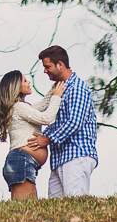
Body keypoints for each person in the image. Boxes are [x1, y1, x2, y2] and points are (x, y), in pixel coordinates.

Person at [27, 45, 98, 197]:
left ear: (60, 65)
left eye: (47, 67)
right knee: (56, 211)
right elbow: (54, 121)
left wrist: (46, 139)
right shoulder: (60, 89)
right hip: (59, 159)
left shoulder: (77, 88)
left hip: (76, 155)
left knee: (75, 206)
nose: (45, 71)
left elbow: (74, 123)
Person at [0, 69, 65, 199]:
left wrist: (55, 87)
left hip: (25, 162)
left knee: (31, 210)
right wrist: (56, 96)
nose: (29, 83)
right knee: (23, 211)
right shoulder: (18, 107)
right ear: (16, 86)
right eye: (25, 80)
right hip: (21, 161)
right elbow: (47, 118)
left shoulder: (22, 106)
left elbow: (43, 104)